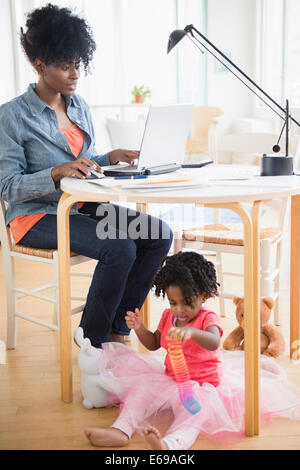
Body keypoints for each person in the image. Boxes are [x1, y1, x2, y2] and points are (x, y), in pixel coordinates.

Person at [0, 3, 172, 347]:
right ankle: (93, 341)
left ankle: (118, 327)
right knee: (120, 247)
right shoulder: (12, 116)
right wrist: (54, 172)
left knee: (157, 233)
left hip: (79, 206)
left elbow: (82, 162)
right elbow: (8, 187)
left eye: (78, 64)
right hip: (35, 217)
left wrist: (108, 157)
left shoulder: (78, 105)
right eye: (65, 67)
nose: (75, 74)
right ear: (39, 64)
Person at [84, 251, 300, 450]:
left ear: (204, 296)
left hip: (203, 385)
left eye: (187, 302)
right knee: (138, 396)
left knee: (194, 413)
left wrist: (193, 334)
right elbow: (153, 343)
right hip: (170, 378)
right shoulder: (169, 317)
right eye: (173, 302)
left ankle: (171, 444)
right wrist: (139, 328)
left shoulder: (208, 319)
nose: (179, 309)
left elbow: (214, 342)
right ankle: (120, 430)